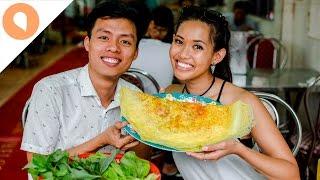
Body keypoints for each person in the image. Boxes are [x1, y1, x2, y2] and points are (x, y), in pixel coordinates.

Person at [165, 6, 300, 179]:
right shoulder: (170, 97)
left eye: (197, 47)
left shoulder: (242, 103)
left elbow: (291, 174)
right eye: (179, 41)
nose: (183, 53)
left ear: (217, 56)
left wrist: (238, 149)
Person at [21, 1, 152, 162]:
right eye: (104, 37)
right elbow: (36, 165)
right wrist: (101, 140)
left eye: (125, 42)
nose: (114, 48)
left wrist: (148, 133)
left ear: (135, 53)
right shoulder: (50, 90)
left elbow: (141, 162)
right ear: (87, 43)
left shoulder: (136, 97)